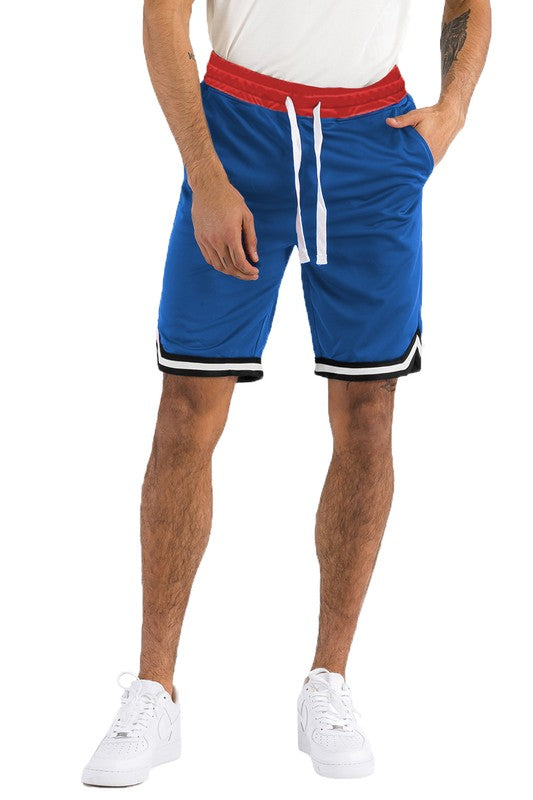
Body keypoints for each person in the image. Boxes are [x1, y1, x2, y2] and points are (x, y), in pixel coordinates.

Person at [82, 0, 491, 785]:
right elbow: (163, 18)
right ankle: (153, 690)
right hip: (237, 133)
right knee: (184, 413)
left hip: (372, 142)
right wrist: (205, 174)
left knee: (367, 414)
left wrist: (455, 109)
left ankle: (328, 679)